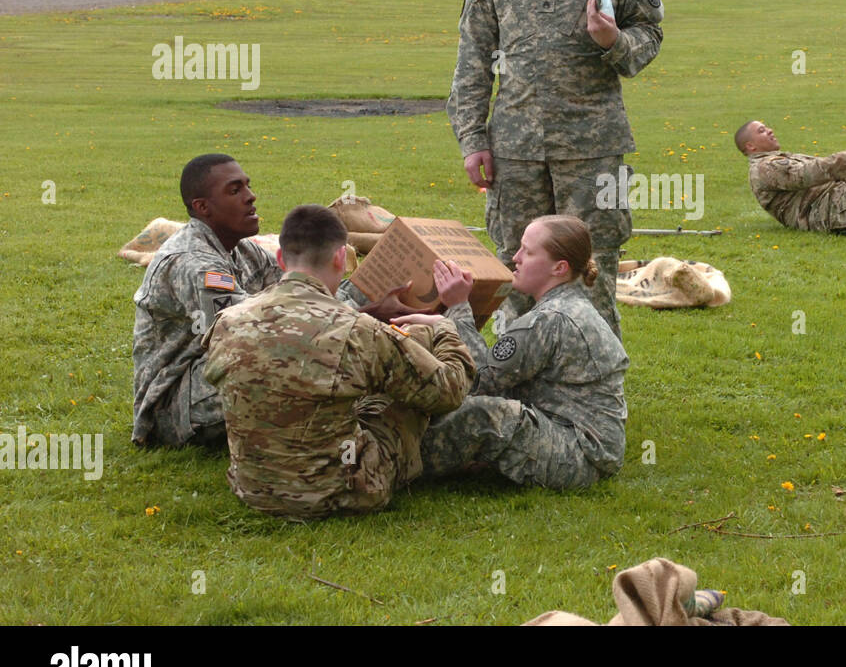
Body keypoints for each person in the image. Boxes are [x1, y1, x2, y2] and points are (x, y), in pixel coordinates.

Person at [446, 0, 664, 341]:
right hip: (514, 150)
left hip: (591, 147)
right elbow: (472, 59)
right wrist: (472, 139)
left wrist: (613, 42)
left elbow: (649, 36)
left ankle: (594, 386)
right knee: (516, 269)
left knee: (593, 267)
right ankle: (517, 382)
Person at [202, 205, 475, 520]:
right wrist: (443, 329)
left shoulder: (227, 321)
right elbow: (449, 391)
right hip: (341, 493)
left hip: (252, 490)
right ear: (340, 258)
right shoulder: (357, 329)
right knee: (416, 345)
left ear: (280, 259)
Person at [131, 154, 412, 449]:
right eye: (235, 190)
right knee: (300, 363)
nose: (251, 197)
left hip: (222, 371)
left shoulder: (241, 250)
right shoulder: (193, 264)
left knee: (325, 345)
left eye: (247, 187)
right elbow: (260, 336)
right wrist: (369, 315)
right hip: (177, 405)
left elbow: (309, 290)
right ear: (203, 207)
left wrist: (372, 296)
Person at [398, 215, 629, 491]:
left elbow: (478, 381)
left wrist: (459, 308)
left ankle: (390, 464)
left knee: (483, 415)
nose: (516, 258)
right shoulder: (570, 306)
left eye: (528, 252)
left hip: (580, 457)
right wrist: (444, 324)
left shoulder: (550, 319)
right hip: (587, 448)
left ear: (559, 268)